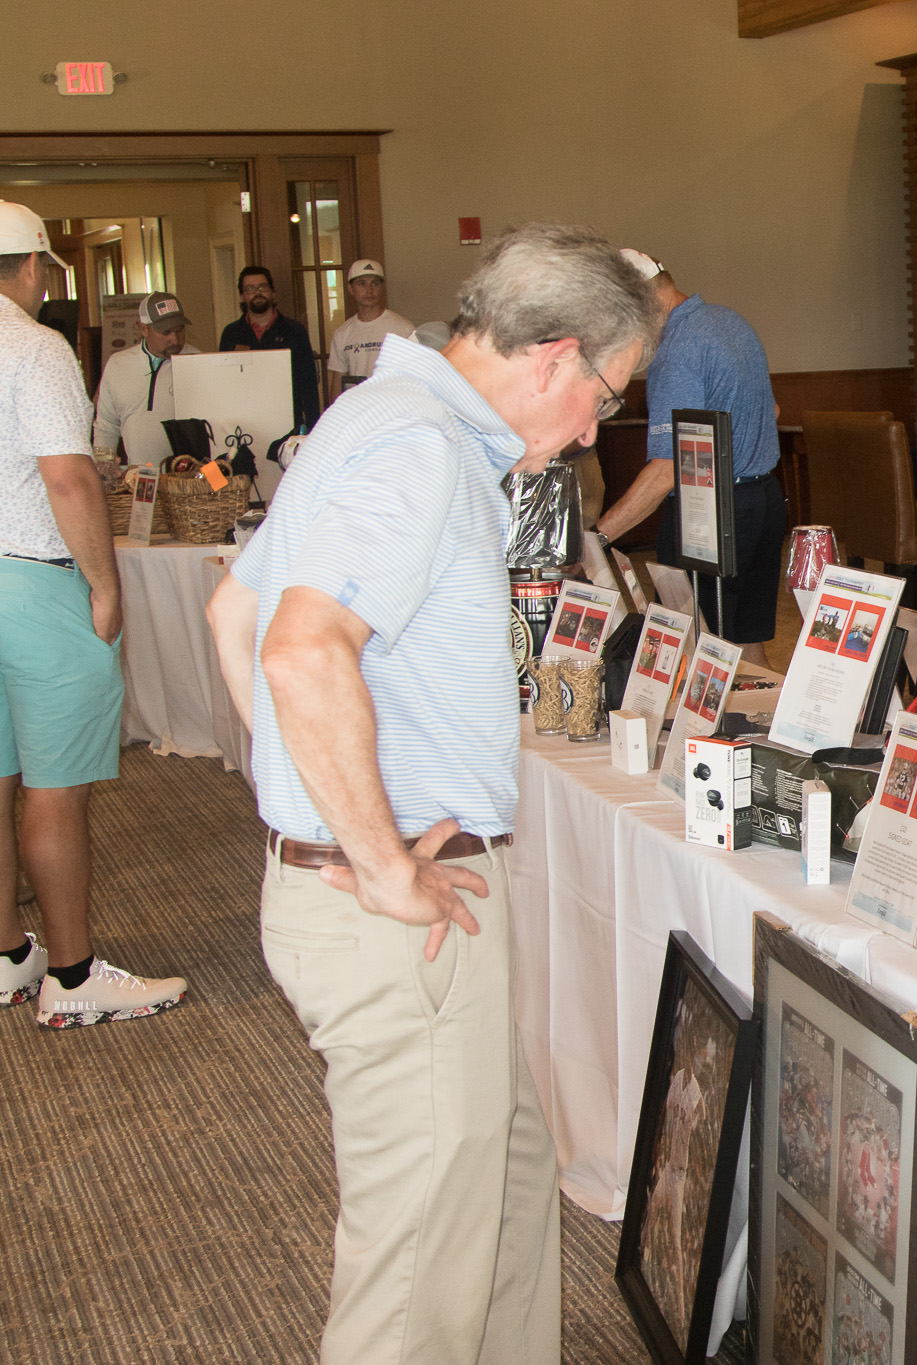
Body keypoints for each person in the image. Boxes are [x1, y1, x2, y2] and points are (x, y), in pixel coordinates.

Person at [206, 221, 658, 1364]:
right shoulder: (417, 447)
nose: (595, 426)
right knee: (419, 1271)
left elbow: (232, 611)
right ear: (553, 355)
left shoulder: (383, 415)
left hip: (395, 884)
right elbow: (299, 651)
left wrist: (314, 804)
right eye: (606, 394)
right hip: (395, 906)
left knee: (499, 1190)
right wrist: (368, 851)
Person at [0, 199, 187, 1028]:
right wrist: (105, 585)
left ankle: (9, 955)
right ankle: (72, 978)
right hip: (33, 582)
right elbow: (68, 478)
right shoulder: (32, 347)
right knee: (56, 787)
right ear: (33, 267)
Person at [593, 248, 784, 666]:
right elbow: (772, 412)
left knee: (698, 658)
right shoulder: (729, 321)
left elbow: (666, 470)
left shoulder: (677, 351)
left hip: (712, 514)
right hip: (764, 501)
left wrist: (598, 537)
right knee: (749, 649)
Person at [92, 291, 202, 466]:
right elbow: (106, 426)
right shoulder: (118, 365)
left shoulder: (199, 362)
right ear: (143, 328)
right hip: (139, 481)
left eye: (179, 329)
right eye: (165, 332)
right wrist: (104, 474)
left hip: (189, 483)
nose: (174, 339)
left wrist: (215, 482)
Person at [220, 264, 320, 431]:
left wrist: (313, 429)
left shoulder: (294, 331)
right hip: (244, 424)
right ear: (242, 296)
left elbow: (308, 385)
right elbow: (224, 384)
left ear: (273, 292)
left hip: (287, 421)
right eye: (250, 289)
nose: (257, 293)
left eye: (262, 287)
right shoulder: (231, 334)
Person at [326, 259, 414, 402]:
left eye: (375, 283)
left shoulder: (403, 328)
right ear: (351, 288)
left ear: (381, 287)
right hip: (357, 411)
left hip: (393, 411)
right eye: (362, 284)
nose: (369, 290)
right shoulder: (342, 333)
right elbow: (338, 380)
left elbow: (414, 378)